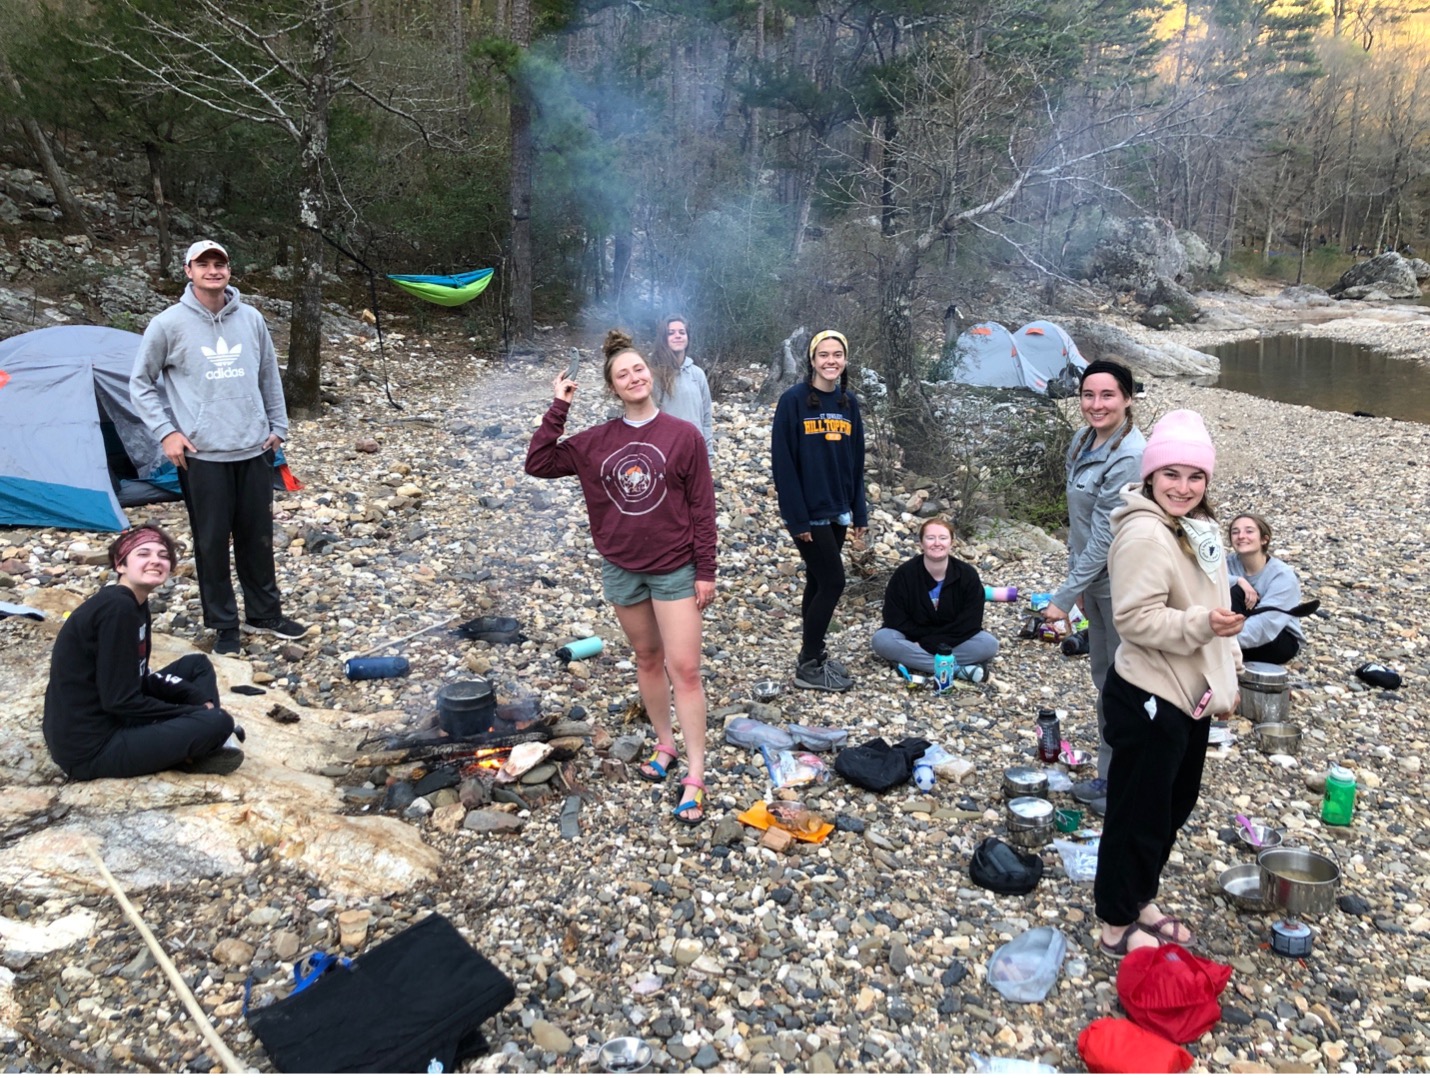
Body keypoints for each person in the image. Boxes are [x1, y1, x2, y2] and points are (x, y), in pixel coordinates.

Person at [525, 329, 717, 825]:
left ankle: (695, 771)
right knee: (648, 659)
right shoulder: (597, 442)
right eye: (622, 374)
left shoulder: (683, 436)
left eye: (638, 369)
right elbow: (539, 462)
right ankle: (665, 745)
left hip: (676, 568)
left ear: (650, 374)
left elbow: (702, 507)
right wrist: (559, 406)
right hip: (623, 569)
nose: (633, 377)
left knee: (686, 669)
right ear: (613, 387)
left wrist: (706, 571)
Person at [1094, 410, 1243, 957]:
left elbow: (1209, 601)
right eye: (1172, 475)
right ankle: (1115, 921)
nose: (1183, 487)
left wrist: (1228, 654)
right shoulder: (1144, 534)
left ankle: (1140, 898)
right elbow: (1133, 620)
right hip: (1150, 693)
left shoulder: (1193, 528)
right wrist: (1202, 624)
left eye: (1195, 476)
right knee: (1138, 811)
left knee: (1172, 805)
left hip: (1189, 692)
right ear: (1152, 476)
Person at [130, 239, 307, 656]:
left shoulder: (251, 319)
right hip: (202, 455)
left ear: (229, 270)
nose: (213, 269)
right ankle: (224, 623)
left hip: (253, 448)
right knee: (210, 542)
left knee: (257, 537)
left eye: (220, 263)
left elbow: (268, 376)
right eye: (203, 263)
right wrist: (166, 432)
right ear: (188, 271)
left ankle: (265, 614)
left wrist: (278, 426)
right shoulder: (167, 324)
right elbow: (140, 384)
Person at [42, 526, 243, 780]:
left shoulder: (135, 604)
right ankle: (199, 745)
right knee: (218, 722)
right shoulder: (118, 609)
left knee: (197, 665)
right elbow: (119, 700)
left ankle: (201, 739)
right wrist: (194, 713)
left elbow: (137, 679)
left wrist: (198, 702)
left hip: (113, 718)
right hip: (92, 749)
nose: (155, 561)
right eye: (143, 554)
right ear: (120, 565)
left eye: (163, 555)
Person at [1042, 359, 1145, 812]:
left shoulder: (1129, 455)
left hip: (1123, 583)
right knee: (1104, 677)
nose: (1096, 404)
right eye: (1089, 395)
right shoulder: (1083, 439)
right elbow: (1079, 523)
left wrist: (1063, 597)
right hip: (1094, 580)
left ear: (1127, 398)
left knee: (1127, 683)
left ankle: (1125, 780)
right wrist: (1078, 582)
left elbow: (1107, 534)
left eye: (1107, 395)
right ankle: (1111, 774)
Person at [771, 329, 868, 692]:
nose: (831, 361)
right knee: (834, 581)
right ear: (812, 360)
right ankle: (808, 662)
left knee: (817, 579)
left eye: (837, 355)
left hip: (838, 508)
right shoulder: (793, 401)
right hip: (809, 512)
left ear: (845, 360)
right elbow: (783, 463)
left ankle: (814, 655)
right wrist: (796, 518)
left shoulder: (849, 403)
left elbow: (856, 462)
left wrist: (860, 514)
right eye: (823, 355)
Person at [872, 517, 999, 678]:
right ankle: (957, 670)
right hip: (912, 638)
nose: (937, 543)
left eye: (943, 538)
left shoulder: (967, 575)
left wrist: (928, 645)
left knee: (988, 644)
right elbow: (893, 618)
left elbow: (970, 623)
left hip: (949, 640)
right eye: (930, 538)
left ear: (952, 543)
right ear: (921, 543)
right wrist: (922, 641)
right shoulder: (904, 574)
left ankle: (916, 663)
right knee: (882, 639)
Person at [1226, 513, 1305, 664]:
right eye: (1235, 532)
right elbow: (1201, 580)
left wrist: (1222, 644)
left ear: (1264, 539)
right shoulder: (1227, 563)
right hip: (1237, 633)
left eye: (1249, 531)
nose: (1241, 536)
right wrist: (1238, 580)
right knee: (1232, 587)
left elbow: (1266, 623)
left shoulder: (1282, 576)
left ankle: (1228, 654)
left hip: (1279, 639)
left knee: (1234, 591)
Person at [650, 313, 713, 458]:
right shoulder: (654, 375)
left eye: (682, 332)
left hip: (695, 451)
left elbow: (706, 418)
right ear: (664, 339)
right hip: (666, 452)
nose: (677, 336)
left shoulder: (697, 374)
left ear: (688, 337)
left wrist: (708, 455)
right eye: (671, 333)